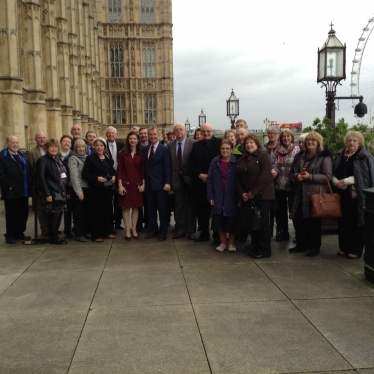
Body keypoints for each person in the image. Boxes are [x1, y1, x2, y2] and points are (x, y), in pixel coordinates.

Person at [289, 131, 332, 257]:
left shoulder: (324, 157)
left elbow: (327, 177)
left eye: (313, 140)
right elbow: (295, 171)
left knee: (314, 222)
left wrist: (310, 177)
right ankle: (301, 244)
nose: (310, 142)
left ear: (318, 142)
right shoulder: (302, 155)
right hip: (300, 192)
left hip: (315, 194)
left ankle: (314, 247)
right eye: (308, 140)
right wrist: (297, 177)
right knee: (299, 220)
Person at [332, 131, 374, 259]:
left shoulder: (365, 157)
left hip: (358, 195)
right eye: (349, 140)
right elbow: (333, 171)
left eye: (354, 141)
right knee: (343, 221)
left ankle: (356, 250)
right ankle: (344, 247)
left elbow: (364, 176)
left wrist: (345, 181)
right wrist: (335, 182)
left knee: (357, 221)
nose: (351, 143)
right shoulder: (341, 155)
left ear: (359, 142)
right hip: (342, 193)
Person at [236, 134, 275, 258]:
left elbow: (265, 176)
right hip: (248, 197)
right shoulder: (242, 159)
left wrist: (253, 192)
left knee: (262, 223)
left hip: (262, 196)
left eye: (251, 142)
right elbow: (237, 179)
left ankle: (264, 250)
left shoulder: (264, 156)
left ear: (257, 143)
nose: (249, 145)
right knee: (252, 223)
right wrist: (242, 192)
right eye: (247, 143)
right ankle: (255, 246)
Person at [189, 123, 221, 243]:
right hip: (200, 181)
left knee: (216, 210)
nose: (206, 133)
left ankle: (217, 235)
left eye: (208, 131)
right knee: (202, 210)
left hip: (216, 182)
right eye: (204, 132)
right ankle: (204, 233)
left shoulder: (219, 143)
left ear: (212, 131)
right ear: (200, 133)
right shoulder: (196, 145)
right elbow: (191, 163)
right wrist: (200, 175)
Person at [82, 137, 116, 243]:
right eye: (97, 145)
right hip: (96, 190)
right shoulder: (90, 159)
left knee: (107, 211)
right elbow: (85, 174)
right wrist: (96, 178)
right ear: (94, 147)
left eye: (101, 145)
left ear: (104, 147)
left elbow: (112, 170)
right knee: (97, 212)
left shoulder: (107, 158)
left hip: (107, 188)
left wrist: (114, 176)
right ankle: (96, 234)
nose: (99, 147)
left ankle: (106, 231)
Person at [0, 136, 33, 244]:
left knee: (23, 214)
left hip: (23, 190)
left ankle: (19, 233)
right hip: (11, 192)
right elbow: (1, 174)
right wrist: (8, 185)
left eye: (17, 142)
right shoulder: (3, 156)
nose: (15, 145)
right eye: (13, 142)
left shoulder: (21, 155)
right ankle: (10, 235)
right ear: (7, 143)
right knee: (12, 215)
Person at [207, 139, 238, 251]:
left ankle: (231, 243)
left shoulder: (236, 162)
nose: (225, 151)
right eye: (222, 148)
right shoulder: (214, 162)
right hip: (218, 194)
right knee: (218, 219)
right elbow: (209, 179)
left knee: (232, 220)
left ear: (232, 149)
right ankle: (223, 242)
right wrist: (210, 196)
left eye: (227, 148)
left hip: (232, 194)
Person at [36, 138, 69, 245]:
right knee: (54, 214)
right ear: (46, 148)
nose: (54, 149)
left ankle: (54, 234)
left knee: (58, 214)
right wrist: (47, 194)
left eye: (55, 147)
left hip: (61, 191)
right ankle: (53, 237)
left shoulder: (58, 159)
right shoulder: (43, 160)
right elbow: (41, 178)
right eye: (51, 147)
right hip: (51, 192)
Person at [167, 123, 196, 240]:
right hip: (176, 180)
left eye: (181, 129)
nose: (178, 132)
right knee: (178, 206)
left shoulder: (193, 144)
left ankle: (191, 230)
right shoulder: (169, 145)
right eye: (176, 130)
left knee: (190, 207)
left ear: (185, 131)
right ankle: (180, 229)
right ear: (174, 132)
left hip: (189, 181)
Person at [143, 126, 171, 241]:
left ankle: (163, 231)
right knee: (150, 209)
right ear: (148, 136)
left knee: (163, 210)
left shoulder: (164, 149)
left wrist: (167, 182)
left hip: (160, 185)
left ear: (158, 135)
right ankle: (153, 230)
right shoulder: (145, 149)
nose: (152, 136)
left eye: (154, 134)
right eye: (150, 134)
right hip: (149, 185)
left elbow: (167, 167)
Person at [272, 129, 300, 242]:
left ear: (292, 138)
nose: (286, 138)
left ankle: (299, 233)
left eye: (288, 136)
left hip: (292, 183)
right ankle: (283, 232)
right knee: (280, 211)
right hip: (279, 184)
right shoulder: (276, 151)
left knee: (294, 210)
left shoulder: (297, 150)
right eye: (284, 137)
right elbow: (273, 164)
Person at [117, 131, 145, 240]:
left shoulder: (141, 154)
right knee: (126, 208)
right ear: (128, 140)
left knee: (136, 208)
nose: (132, 140)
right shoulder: (122, 153)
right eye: (130, 139)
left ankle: (134, 228)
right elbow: (119, 170)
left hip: (137, 184)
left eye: (134, 139)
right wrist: (120, 185)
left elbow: (142, 170)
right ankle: (127, 230)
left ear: (138, 140)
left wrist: (143, 184)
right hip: (125, 184)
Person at [25, 131, 48, 235]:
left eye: (43, 137)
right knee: (40, 207)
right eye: (39, 138)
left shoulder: (49, 149)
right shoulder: (31, 152)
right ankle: (44, 227)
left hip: (50, 183)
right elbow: (29, 169)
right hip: (38, 183)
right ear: (36, 139)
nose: (42, 139)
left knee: (49, 206)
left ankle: (51, 226)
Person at [68, 139, 89, 242]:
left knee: (85, 212)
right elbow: (74, 177)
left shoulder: (88, 158)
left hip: (87, 189)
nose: (81, 149)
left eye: (83, 147)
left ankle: (84, 231)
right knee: (78, 213)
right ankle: (78, 233)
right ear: (75, 148)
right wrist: (79, 192)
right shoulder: (73, 159)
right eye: (78, 147)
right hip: (78, 189)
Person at [106, 126, 125, 231]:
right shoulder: (103, 145)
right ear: (106, 135)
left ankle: (118, 222)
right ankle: (110, 223)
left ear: (116, 135)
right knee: (108, 202)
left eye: (113, 133)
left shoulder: (121, 146)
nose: (111, 135)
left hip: (119, 177)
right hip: (107, 178)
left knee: (118, 202)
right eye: (109, 133)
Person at [58, 135, 74, 238]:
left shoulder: (73, 156)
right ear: (61, 142)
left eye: (69, 142)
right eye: (64, 141)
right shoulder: (56, 155)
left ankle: (68, 230)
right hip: (58, 187)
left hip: (69, 186)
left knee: (68, 210)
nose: (66, 143)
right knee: (58, 210)